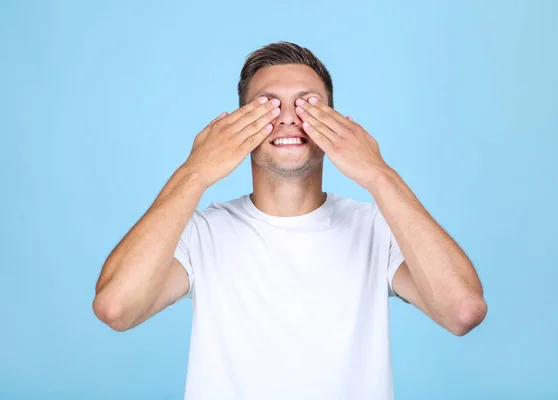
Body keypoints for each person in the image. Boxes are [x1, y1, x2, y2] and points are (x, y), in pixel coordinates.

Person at [92, 41, 487, 399]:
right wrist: (194, 172)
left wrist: (378, 174)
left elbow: (462, 311)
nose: (287, 118)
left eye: (307, 105)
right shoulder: (201, 234)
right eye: (266, 105)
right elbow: (116, 307)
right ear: (238, 125)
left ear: (334, 122)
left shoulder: (376, 229)